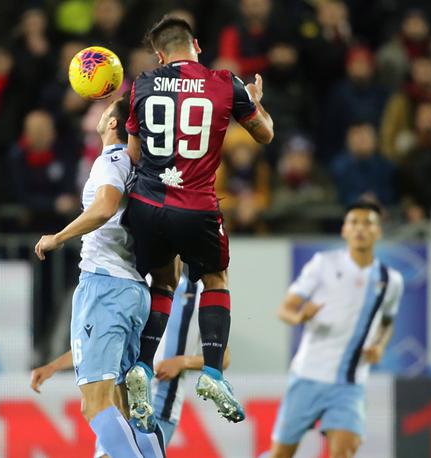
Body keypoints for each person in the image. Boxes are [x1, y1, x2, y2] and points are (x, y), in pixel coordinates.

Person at [123, 16, 274, 427]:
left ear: (159, 54)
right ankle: (212, 372)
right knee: (215, 279)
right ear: (197, 46)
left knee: (164, 283)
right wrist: (255, 102)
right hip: (197, 205)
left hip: (147, 204)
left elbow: (134, 155)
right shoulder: (226, 83)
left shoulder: (141, 83)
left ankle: (140, 364)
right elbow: (265, 136)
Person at [34, 96, 165, 458]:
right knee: (125, 407)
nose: (97, 112)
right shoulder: (143, 165)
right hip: (134, 290)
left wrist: (58, 237)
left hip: (104, 285)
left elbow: (105, 206)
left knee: (95, 405)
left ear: (112, 124)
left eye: (103, 110)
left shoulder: (113, 160)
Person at [31, 267, 232, 449]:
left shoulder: (199, 293)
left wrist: (182, 362)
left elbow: (223, 357)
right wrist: (53, 367)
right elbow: (100, 348)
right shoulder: (140, 289)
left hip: (162, 407)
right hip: (124, 402)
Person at [269, 201, 404, 458]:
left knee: (344, 452)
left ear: (379, 232)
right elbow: (284, 309)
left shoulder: (391, 280)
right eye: (354, 222)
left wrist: (380, 345)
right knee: (281, 454)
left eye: (368, 223)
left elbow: (387, 320)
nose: (360, 229)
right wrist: (300, 316)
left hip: (349, 383)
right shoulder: (323, 264)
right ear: (344, 230)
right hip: (308, 374)